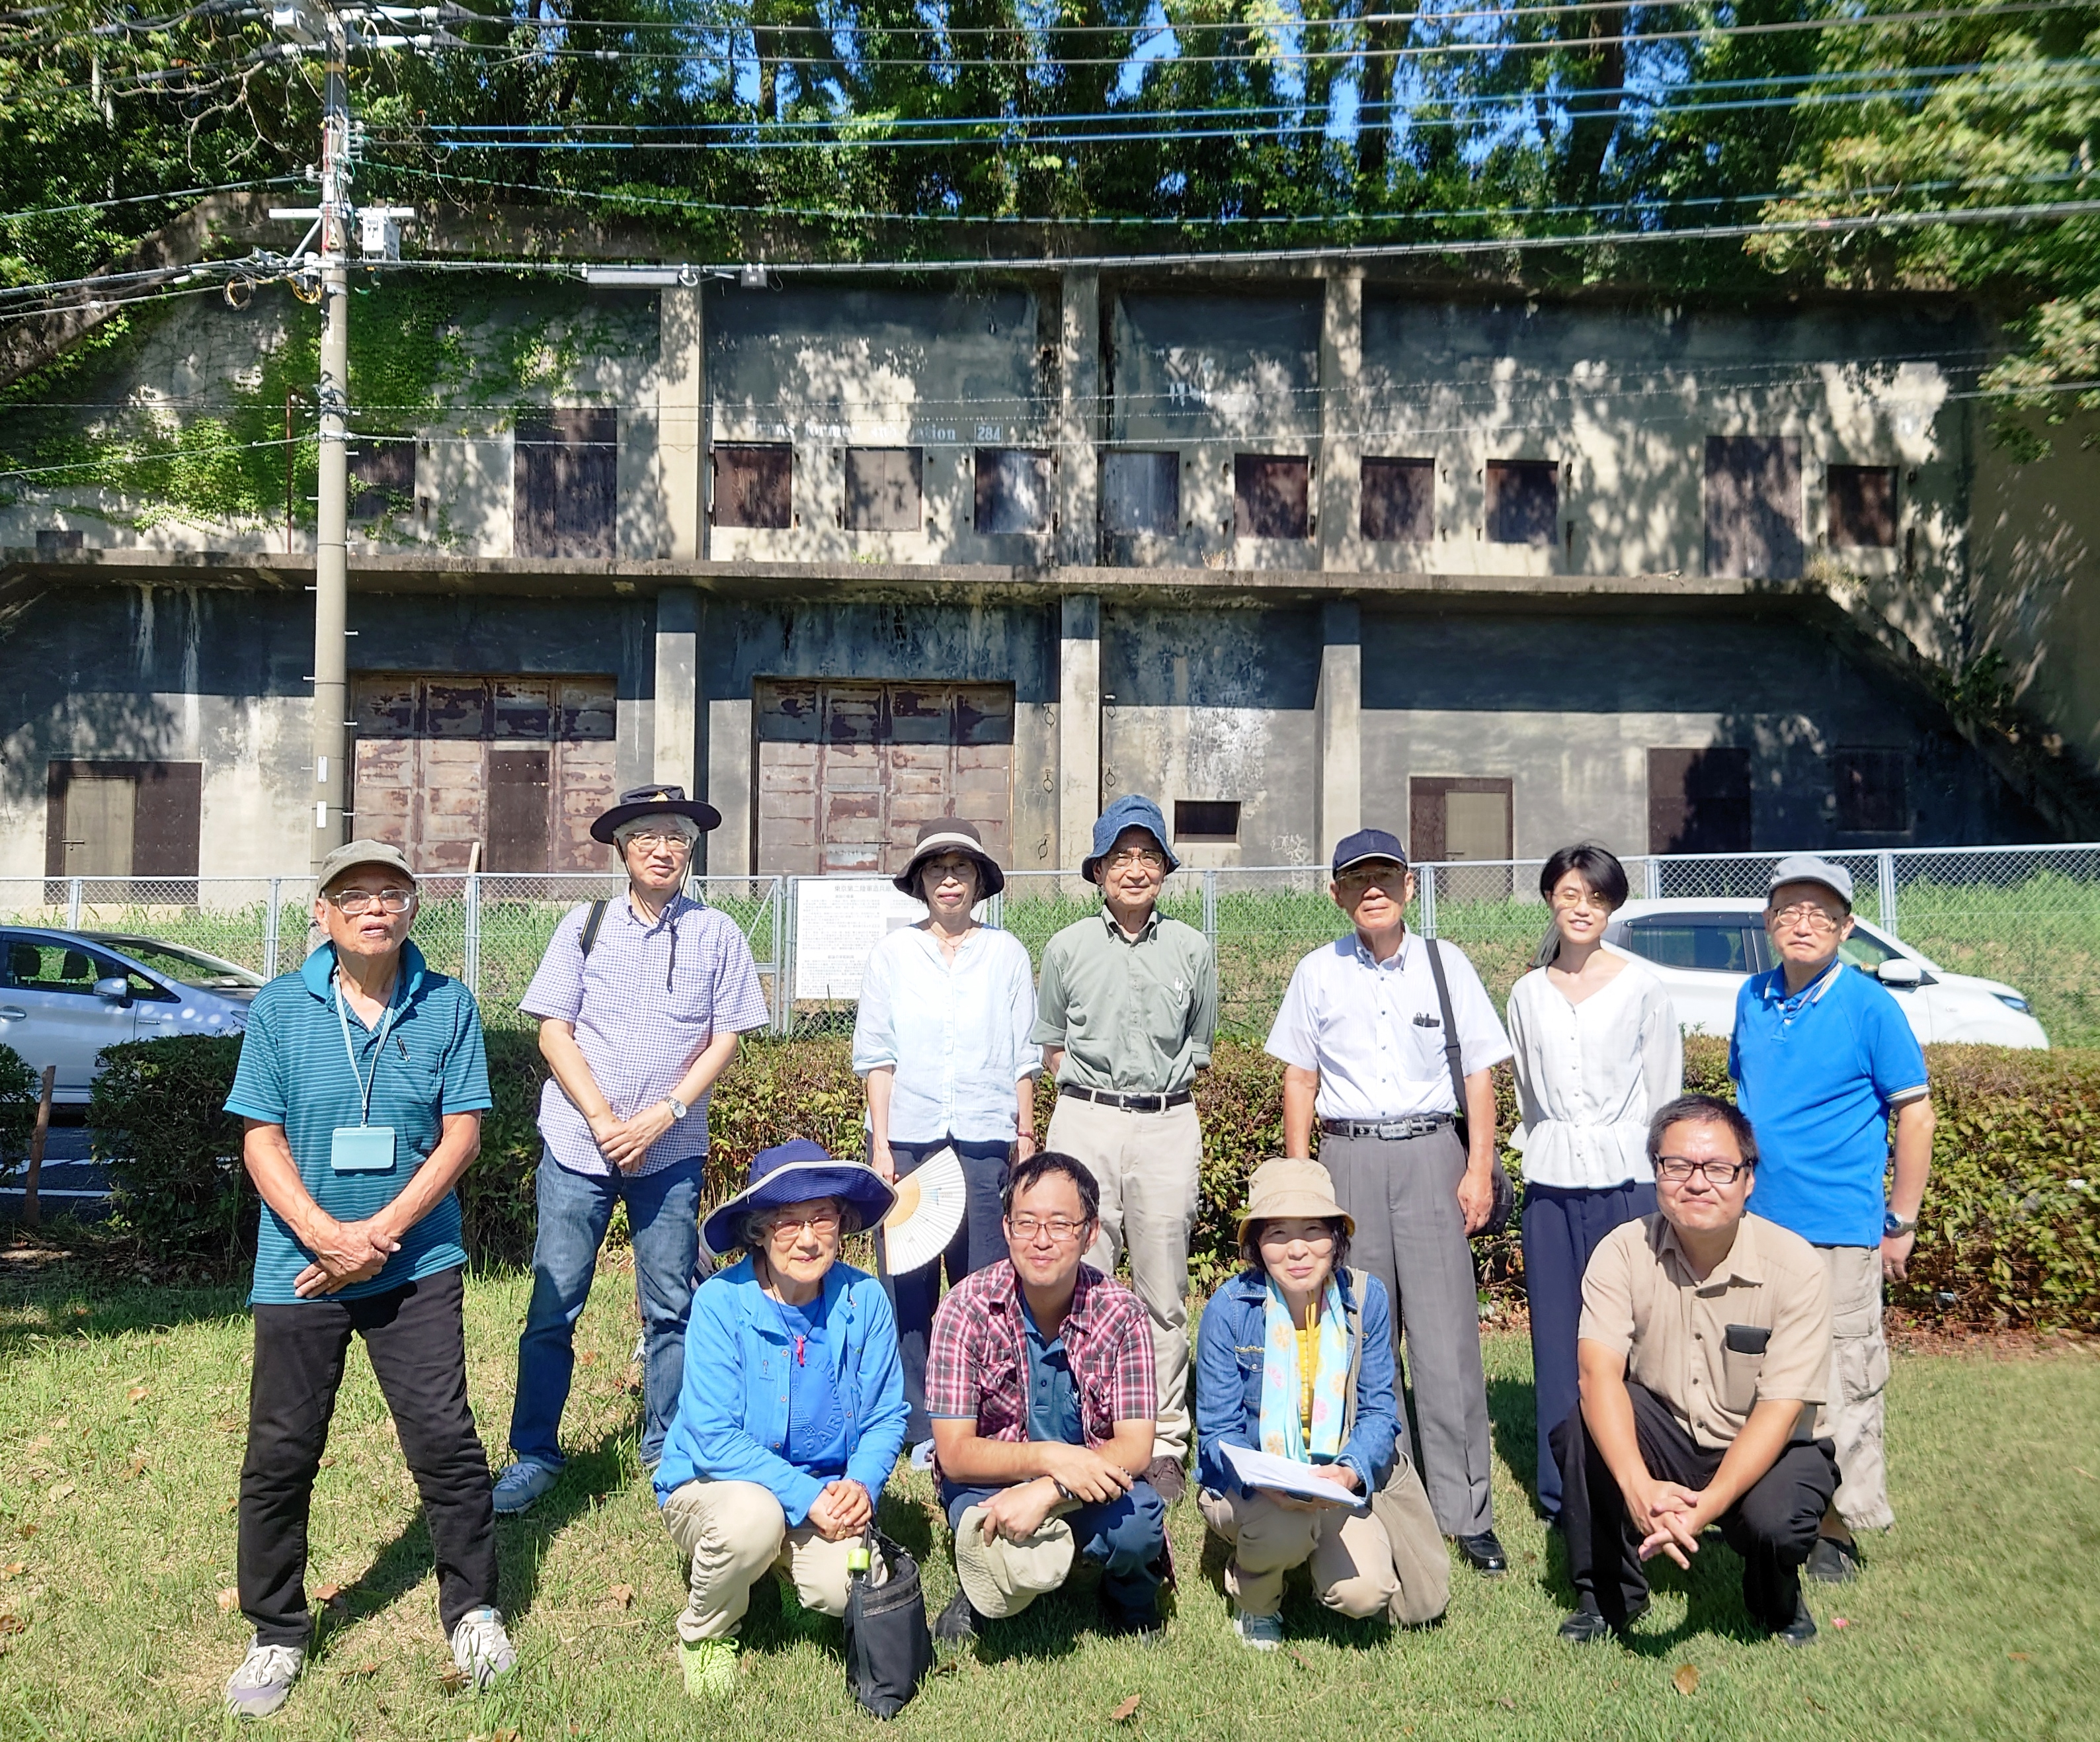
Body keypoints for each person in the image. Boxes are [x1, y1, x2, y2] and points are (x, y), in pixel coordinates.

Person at [220, 841, 512, 1720]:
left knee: (444, 1440)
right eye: (355, 894)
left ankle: (474, 1609)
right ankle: (276, 1628)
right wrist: (324, 1233)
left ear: (413, 908)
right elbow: (259, 1134)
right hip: (299, 1268)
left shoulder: (448, 1004)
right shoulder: (280, 1007)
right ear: (324, 913)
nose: (375, 906)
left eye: (392, 892)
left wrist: (380, 1232)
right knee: (280, 1452)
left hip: (414, 1262)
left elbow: (461, 1133)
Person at [495, 784, 770, 1515]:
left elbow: (727, 1038)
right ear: (621, 849)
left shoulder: (719, 935)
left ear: (691, 848)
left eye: (675, 836)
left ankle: (667, 1450)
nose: (662, 848)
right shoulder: (582, 927)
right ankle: (533, 1453)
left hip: (670, 1149)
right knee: (554, 1304)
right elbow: (553, 1029)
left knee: (672, 1307)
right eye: (645, 835)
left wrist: (665, 1113)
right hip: (578, 1146)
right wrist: (602, 1117)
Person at [1266, 828, 1514, 1573]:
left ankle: (1464, 1510)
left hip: (1433, 1155)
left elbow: (1477, 1077)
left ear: (1409, 886)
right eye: (1355, 879)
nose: (1370, 890)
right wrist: (1303, 1185)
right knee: (1360, 1339)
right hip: (1347, 1160)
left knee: (1445, 1341)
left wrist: (1475, 1169)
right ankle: (1381, 1490)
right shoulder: (1316, 972)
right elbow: (1299, 1082)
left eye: (1384, 877)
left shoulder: (1447, 965)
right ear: (1336, 893)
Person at [1553, 1095, 1838, 1647]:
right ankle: (1605, 1599)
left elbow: (1781, 1409)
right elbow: (1597, 1374)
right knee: (1583, 1427)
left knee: (1776, 1523)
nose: (1697, 1183)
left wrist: (1706, 1508)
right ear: (1656, 1172)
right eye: (1676, 1165)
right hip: (1671, 1430)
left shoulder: (1797, 1267)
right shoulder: (1621, 1251)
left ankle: (1776, 1598)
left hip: (1768, 1440)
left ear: (1748, 1179)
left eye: (1718, 1169)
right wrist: (1637, 1487)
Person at [1729, 854, 1933, 1584]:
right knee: (1762, 1372)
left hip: (1840, 1232)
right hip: (1754, 1229)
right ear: (1767, 923)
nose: (1802, 923)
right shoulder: (1751, 998)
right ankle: (1765, 1503)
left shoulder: (1870, 1007)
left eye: (1820, 912)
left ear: (1846, 927)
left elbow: (1913, 1116)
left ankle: (1836, 1527)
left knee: (1843, 1377)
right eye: (1788, 910)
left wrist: (1899, 1220)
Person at [655, 1140, 907, 1698]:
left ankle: (775, 1565)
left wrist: (861, 1485)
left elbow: (888, 1415)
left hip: (823, 1486)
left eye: (822, 1218)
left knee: (849, 1588)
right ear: (759, 1232)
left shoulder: (865, 1300)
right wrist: (806, 1498)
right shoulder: (721, 1302)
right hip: (716, 1485)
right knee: (753, 1518)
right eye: (788, 1223)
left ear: (842, 1225)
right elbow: (713, 1438)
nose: (809, 1238)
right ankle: (706, 1634)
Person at [1030, 793, 1217, 1501]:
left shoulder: (1191, 950)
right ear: (1099, 870)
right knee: (1085, 1283)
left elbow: (1198, 1044)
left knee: (1163, 1289)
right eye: (1119, 856)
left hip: (1168, 1122)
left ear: (1163, 868)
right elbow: (1050, 1042)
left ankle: (1164, 1439)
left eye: (1146, 856)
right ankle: (1096, 1428)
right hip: (1085, 1119)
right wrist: (1090, 1103)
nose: (1133, 870)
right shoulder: (1066, 948)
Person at [1195, 1157, 1448, 1650]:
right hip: (1253, 1486)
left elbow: (1380, 1410)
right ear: (1256, 1244)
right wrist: (1269, 1485)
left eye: (1313, 1230)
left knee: (1366, 1593)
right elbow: (1217, 1435)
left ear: (1337, 1236)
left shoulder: (1366, 1297)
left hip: (1333, 1480)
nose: (1297, 1250)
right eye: (1277, 1234)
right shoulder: (1228, 1309)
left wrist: (1351, 1472)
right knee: (1279, 1529)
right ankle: (1257, 1601)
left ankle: (1311, 1559)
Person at [924, 1151, 1169, 1643]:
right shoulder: (965, 1309)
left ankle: (1130, 1595)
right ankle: (986, 1590)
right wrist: (1051, 1459)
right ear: (1007, 1228)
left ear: (1090, 1232)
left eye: (1060, 1224)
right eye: (1027, 1222)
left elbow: (1136, 1448)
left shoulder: (1122, 1314)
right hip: (991, 1484)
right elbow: (954, 1455)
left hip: (1089, 1486)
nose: (1041, 1240)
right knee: (984, 1521)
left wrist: (1049, 1488)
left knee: (1139, 1523)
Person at [854, 817, 1039, 1467]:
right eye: (936, 869)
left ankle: (982, 1411)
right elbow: (875, 1056)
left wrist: (1023, 1137)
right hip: (910, 1142)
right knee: (908, 1286)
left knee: (983, 1285)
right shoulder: (892, 955)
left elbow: (1023, 1056)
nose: (949, 880)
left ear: (979, 881)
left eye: (961, 869)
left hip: (986, 1142)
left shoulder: (1007, 954)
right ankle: (916, 1423)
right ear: (920, 882)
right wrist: (881, 1147)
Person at [1506, 843, 1682, 1524]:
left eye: (1596, 898)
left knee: (1634, 1339)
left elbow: (1663, 1093)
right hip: (1551, 1183)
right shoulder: (1526, 992)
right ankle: (1561, 1494)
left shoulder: (1642, 987)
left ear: (1612, 907)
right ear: (1549, 897)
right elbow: (1526, 1091)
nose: (1581, 909)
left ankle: (1637, 1481)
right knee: (1557, 1338)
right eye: (1569, 894)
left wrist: (1664, 1179)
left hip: (1627, 1182)